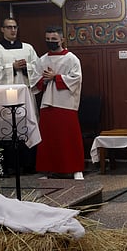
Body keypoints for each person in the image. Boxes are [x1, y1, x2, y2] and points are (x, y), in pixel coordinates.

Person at [0, 17, 39, 175]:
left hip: (24, 95)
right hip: (2, 98)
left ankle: (28, 165)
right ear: (2, 29)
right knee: (4, 129)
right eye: (9, 27)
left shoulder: (28, 48)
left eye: (15, 27)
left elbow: (38, 68)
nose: (13, 30)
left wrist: (28, 68)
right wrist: (11, 67)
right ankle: (7, 167)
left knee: (25, 127)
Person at [32, 25, 85, 180]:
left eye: (54, 39)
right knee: (49, 139)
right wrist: (44, 79)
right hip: (47, 103)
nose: (50, 42)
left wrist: (56, 77)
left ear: (62, 39)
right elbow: (35, 80)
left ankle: (76, 169)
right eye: (48, 39)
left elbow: (76, 78)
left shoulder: (71, 58)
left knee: (69, 137)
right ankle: (49, 169)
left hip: (66, 102)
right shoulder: (42, 60)